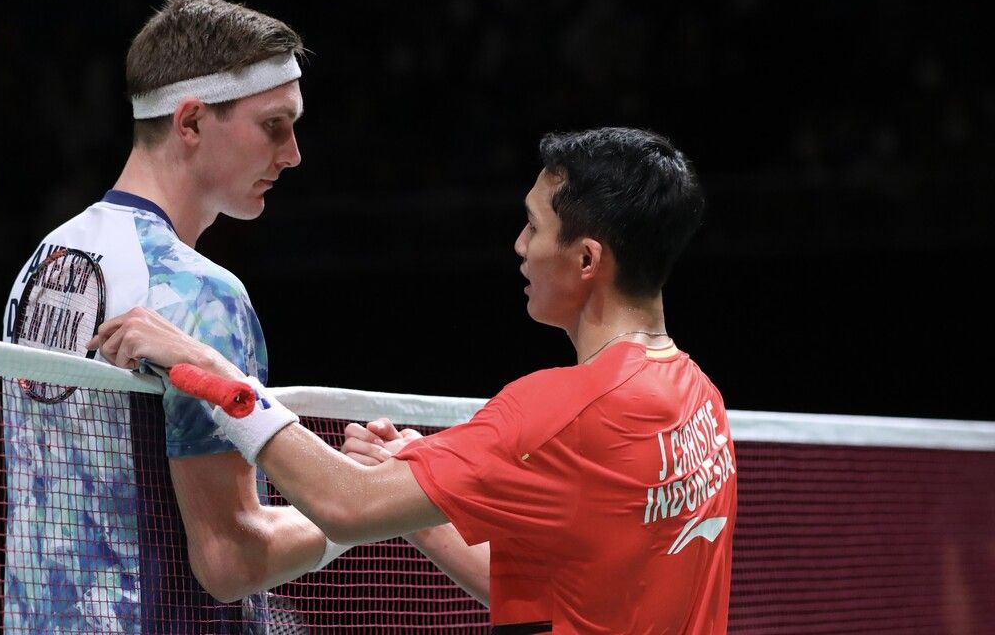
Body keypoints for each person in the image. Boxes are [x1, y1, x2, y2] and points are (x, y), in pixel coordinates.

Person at [91, 127, 738, 633]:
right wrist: (418, 503)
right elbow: (551, 589)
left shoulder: (559, 411)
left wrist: (215, 374)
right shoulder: (700, 402)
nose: (519, 245)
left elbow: (346, 504)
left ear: (587, 259)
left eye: (534, 226)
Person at [1, 0, 348, 634]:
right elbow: (230, 557)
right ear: (190, 122)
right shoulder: (199, 295)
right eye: (274, 125)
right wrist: (367, 509)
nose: (293, 153)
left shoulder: (45, 263)